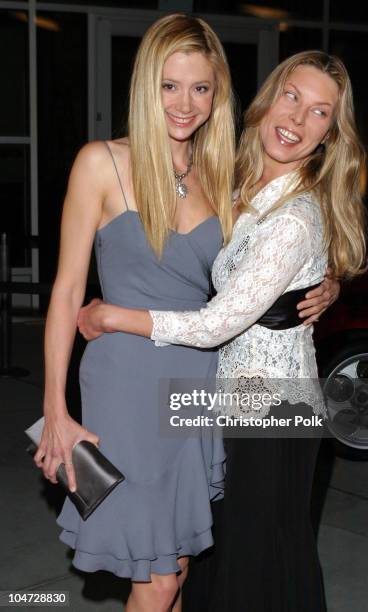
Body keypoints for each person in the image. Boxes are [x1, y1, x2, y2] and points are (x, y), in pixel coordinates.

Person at [34, 10, 336, 610]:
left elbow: (268, 255)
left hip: (198, 385)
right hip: (125, 385)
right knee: (158, 576)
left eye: (201, 87)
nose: (184, 103)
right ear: (147, 84)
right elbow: (67, 292)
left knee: (179, 563)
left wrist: (325, 285)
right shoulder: (101, 163)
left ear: (217, 92)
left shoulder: (222, 176)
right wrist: (54, 410)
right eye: (170, 85)